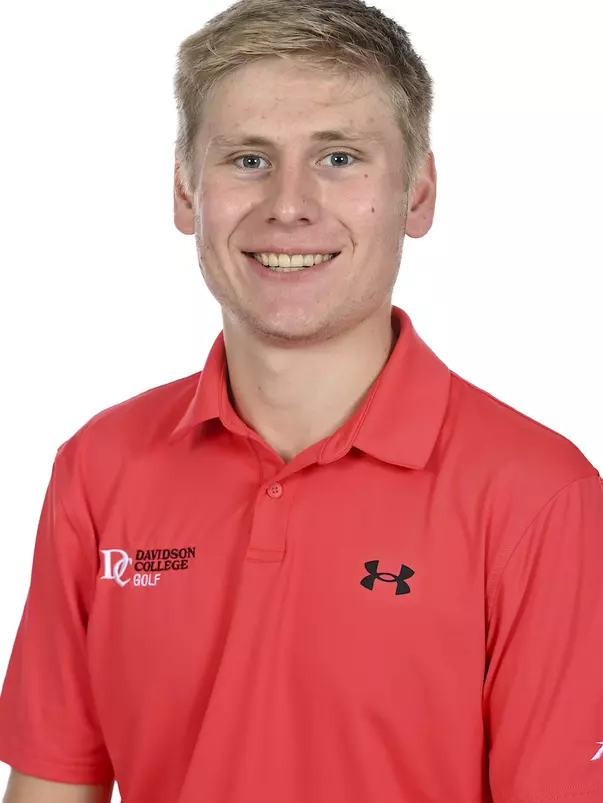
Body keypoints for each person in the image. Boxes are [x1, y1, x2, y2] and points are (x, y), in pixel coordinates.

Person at [1, 0, 602, 800]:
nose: (288, 204)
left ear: (416, 194)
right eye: (247, 159)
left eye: (340, 157)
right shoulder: (99, 468)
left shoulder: (537, 497)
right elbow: (51, 789)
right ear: (185, 193)